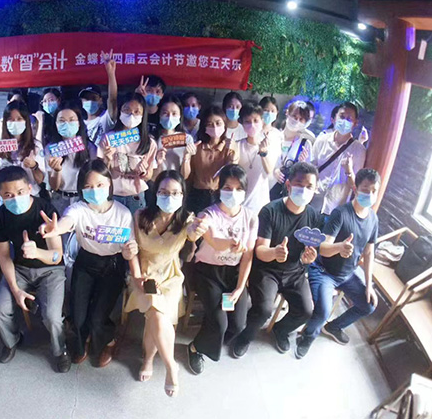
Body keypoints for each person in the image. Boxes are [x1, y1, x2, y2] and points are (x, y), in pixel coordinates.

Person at [38, 159, 136, 368]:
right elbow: (67, 221)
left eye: (100, 185)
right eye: (89, 186)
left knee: (98, 317)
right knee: (78, 314)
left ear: (109, 184)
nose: (95, 190)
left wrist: (129, 253)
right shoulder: (78, 208)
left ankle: (108, 341)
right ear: (81, 189)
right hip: (86, 262)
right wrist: (55, 229)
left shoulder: (123, 213)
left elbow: (129, 247)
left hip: (112, 265)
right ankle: (82, 343)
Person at [123, 170, 203, 396]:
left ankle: (150, 360)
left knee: (157, 315)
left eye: (176, 193)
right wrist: (137, 278)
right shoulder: (139, 216)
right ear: (155, 193)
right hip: (144, 274)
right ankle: (170, 366)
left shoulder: (186, 219)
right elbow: (132, 253)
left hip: (170, 276)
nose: (170, 197)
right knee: (157, 314)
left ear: (183, 195)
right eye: (164, 192)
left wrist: (199, 230)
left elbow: (194, 232)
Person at [232, 162, 322, 357]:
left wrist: (308, 258)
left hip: (295, 272)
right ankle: (245, 336)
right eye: (299, 184)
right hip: (267, 270)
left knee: (307, 310)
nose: (304, 190)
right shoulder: (270, 211)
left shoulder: (313, 216)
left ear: (315, 190)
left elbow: (310, 250)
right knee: (264, 309)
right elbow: (259, 250)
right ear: (288, 185)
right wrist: (274, 252)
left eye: (309, 186)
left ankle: (281, 330)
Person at [0, 166, 69, 372]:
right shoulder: (0, 216)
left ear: (30, 188)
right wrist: (15, 290)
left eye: (20, 192)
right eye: (8, 195)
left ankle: (60, 350)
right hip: (20, 268)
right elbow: (4, 255)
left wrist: (37, 253)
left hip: (51, 271)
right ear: (0, 194)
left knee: (52, 317)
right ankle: (12, 340)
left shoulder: (46, 211)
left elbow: (57, 256)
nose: (15, 198)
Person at [295, 168, 380, 358]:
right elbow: (323, 247)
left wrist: (369, 285)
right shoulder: (340, 213)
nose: (370, 195)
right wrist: (340, 247)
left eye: (374, 191)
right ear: (356, 189)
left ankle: (333, 327)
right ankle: (307, 336)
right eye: (365, 190)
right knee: (323, 311)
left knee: (368, 305)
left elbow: (369, 251)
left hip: (347, 274)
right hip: (324, 271)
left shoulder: (373, 219)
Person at [187, 164, 257, 374]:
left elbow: (248, 256)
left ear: (245, 190)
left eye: (238, 189)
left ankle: (213, 333)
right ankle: (195, 347)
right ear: (219, 189)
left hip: (233, 273)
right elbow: (214, 242)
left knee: (238, 325)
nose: (233, 193)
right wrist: (230, 243)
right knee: (219, 323)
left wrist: (239, 288)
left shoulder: (251, 217)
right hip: (208, 272)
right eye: (227, 188)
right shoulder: (209, 214)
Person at [97, 92, 157, 214]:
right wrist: (107, 159)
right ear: (120, 111)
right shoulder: (109, 139)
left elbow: (149, 174)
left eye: (137, 112)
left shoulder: (149, 142)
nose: (131, 115)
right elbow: (99, 172)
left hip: (136, 195)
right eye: (127, 110)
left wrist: (144, 172)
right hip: (112, 193)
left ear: (143, 115)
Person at [308, 102, 366, 216]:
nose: (344, 121)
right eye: (342, 117)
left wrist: (349, 171)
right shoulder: (322, 140)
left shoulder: (359, 150)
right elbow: (311, 168)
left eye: (349, 119)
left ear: (355, 123)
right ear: (334, 119)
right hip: (313, 200)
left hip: (335, 208)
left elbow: (356, 186)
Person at [46, 101, 97, 216]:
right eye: (62, 121)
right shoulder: (50, 149)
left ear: (79, 123)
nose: (67, 124)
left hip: (84, 198)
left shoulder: (90, 148)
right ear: (56, 124)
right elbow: (54, 186)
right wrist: (57, 170)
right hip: (60, 198)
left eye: (71, 120)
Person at [0, 100, 46, 198]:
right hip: (7, 196)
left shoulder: (35, 145)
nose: (15, 122)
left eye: (19, 119)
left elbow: (40, 180)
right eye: (10, 119)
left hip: (30, 195)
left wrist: (34, 166)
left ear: (26, 121)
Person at [187, 106, 238, 216]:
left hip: (220, 195)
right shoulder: (198, 147)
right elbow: (189, 176)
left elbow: (233, 173)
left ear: (224, 124)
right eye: (210, 124)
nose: (214, 127)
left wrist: (233, 153)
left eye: (218, 123)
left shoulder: (230, 146)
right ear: (204, 127)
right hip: (198, 196)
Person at [270, 101, 315, 200]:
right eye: (294, 116)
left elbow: (307, 175)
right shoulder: (273, 136)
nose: (296, 121)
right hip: (267, 187)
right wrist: (273, 170)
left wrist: (302, 163)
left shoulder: (305, 144)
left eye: (301, 119)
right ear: (287, 113)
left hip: (287, 193)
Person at [237, 103, 276, 213]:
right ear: (242, 124)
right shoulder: (237, 145)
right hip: (240, 204)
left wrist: (263, 152)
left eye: (256, 121)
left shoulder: (269, 145)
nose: (252, 125)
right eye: (247, 122)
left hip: (261, 205)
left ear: (262, 122)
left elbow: (269, 171)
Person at [152, 95, 195, 180]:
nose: (170, 117)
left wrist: (186, 157)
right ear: (159, 114)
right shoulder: (153, 139)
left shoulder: (187, 139)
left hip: (177, 184)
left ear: (180, 116)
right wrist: (159, 163)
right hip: (157, 184)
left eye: (174, 114)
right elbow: (152, 178)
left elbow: (184, 176)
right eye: (165, 113)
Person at [80, 51, 118, 146]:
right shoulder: (78, 124)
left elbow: (112, 99)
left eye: (93, 98)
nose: (90, 101)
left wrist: (111, 73)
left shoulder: (105, 119)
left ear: (100, 101)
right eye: (86, 98)